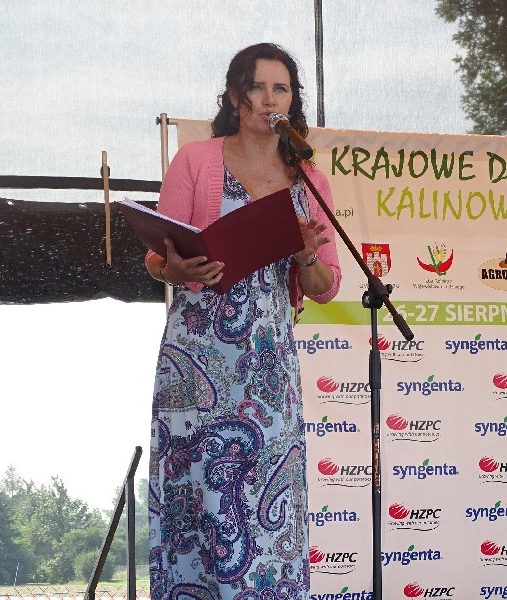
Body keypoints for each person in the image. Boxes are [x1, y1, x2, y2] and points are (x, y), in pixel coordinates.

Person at [144, 42, 341, 600]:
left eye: (282, 89)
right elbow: (157, 255)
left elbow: (325, 286)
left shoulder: (309, 180)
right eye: (258, 87)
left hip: (267, 366)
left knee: (265, 497)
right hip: (195, 357)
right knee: (194, 495)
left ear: (293, 101)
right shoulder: (195, 160)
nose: (270, 99)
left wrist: (305, 256)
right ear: (235, 95)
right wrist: (174, 268)